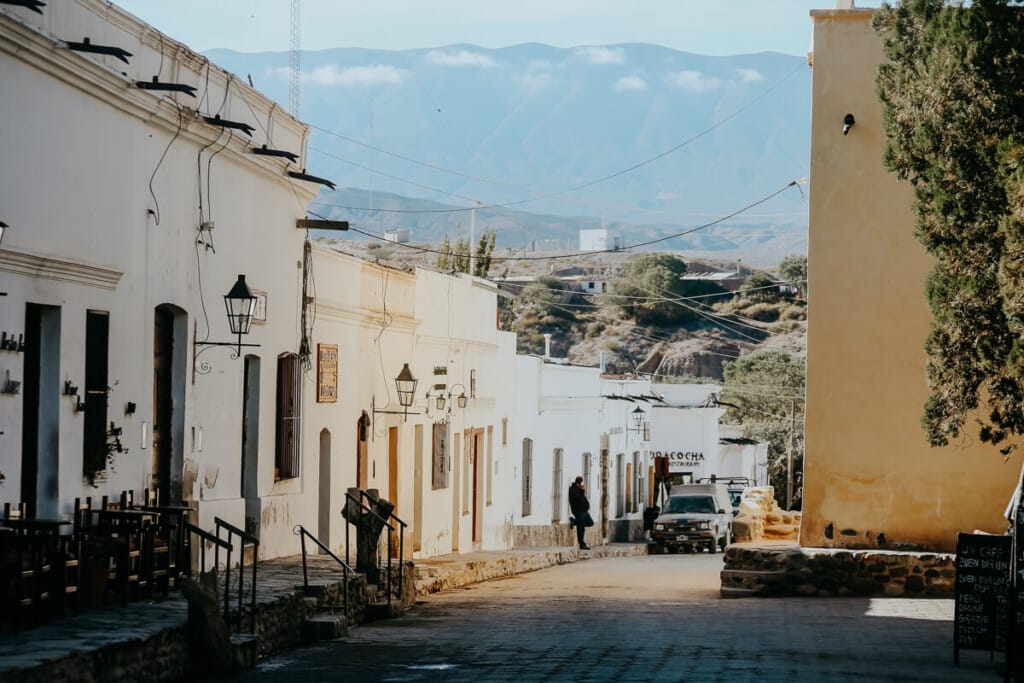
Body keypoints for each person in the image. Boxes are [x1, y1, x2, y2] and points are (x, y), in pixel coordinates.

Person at [568, 475, 591, 550]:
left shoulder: (577, 489)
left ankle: (574, 521)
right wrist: (582, 491)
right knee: (581, 529)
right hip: (579, 511)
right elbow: (578, 499)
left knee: (590, 522)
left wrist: (582, 491)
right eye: (581, 483)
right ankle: (582, 544)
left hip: (584, 511)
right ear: (579, 483)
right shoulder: (573, 490)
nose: (582, 485)